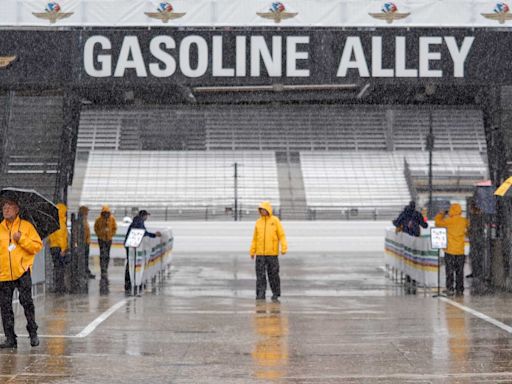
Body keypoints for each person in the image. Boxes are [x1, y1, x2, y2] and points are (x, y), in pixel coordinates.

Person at [0, 199, 43, 348]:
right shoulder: (0, 228)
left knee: (27, 303)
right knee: (5, 307)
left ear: (17, 209)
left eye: (9, 207)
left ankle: (33, 333)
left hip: (22, 272)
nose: (6, 209)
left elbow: (37, 246)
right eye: (4, 207)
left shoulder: (26, 227)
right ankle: (10, 338)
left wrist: (21, 239)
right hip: (3, 274)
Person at [250, 201, 288, 303]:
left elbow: (282, 235)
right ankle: (260, 294)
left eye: (264, 209)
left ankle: (276, 293)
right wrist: (252, 251)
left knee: (273, 274)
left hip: (272, 254)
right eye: (261, 210)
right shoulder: (258, 222)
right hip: (260, 254)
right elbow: (255, 238)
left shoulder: (275, 221)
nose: (262, 211)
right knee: (260, 275)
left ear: (268, 210)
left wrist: (283, 247)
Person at [435, 203, 469, 296]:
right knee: (460, 271)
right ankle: (460, 289)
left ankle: (450, 288)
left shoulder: (448, 221)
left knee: (449, 271)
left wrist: (441, 214)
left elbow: (437, 223)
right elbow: (469, 229)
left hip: (449, 250)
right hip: (460, 250)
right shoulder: (464, 221)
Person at [124, 210, 161, 294]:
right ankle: (133, 282)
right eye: (146, 216)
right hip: (133, 246)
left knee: (130, 264)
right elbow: (143, 233)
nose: (147, 218)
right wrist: (154, 235)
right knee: (132, 264)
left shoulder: (137, 221)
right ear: (144, 216)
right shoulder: (139, 222)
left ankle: (130, 283)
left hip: (130, 245)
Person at [48, 203, 68, 294]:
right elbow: (61, 237)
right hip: (59, 248)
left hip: (53, 247)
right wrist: (63, 248)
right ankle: (60, 286)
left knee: (57, 267)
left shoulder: (54, 221)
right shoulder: (60, 222)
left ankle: (58, 286)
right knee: (60, 268)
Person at [94, 205, 117, 283]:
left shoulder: (112, 219)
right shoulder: (99, 219)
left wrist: (111, 234)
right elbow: (95, 228)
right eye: (105, 213)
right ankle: (103, 269)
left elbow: (114, 228)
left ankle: (105, 268)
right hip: (101, 239)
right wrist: (100, 234)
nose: (106, 214)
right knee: (102, 254)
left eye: (107, 213)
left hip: (109, 239)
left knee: (107, 255)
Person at [78, 206, 95, 279]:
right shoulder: (81, 220)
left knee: (85, 258)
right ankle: (84, 271)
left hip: (86, 242)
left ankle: (86, 271)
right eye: (86, 211)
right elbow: (83, 232)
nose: (87, 213)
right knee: (84, 258)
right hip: (84, 243)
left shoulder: (84, 219)